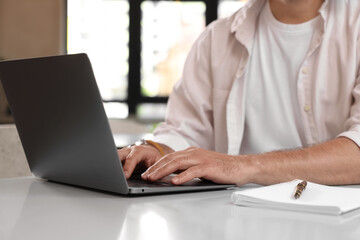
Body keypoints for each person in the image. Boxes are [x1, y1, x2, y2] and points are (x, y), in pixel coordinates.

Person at [118, 0, 360, 187]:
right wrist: (159, 151)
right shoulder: (217, 37)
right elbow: (184, 131)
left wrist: (239, 166)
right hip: (236, 214)